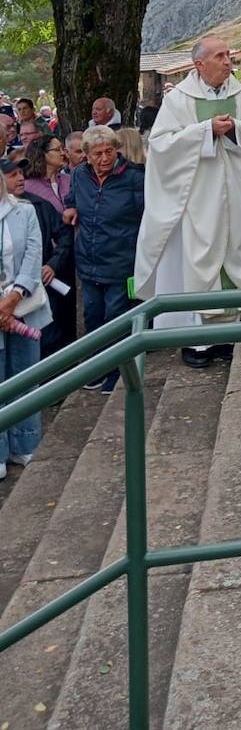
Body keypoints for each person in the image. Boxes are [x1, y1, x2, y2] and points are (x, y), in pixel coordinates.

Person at [135, 36, 241, 368]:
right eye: (219, 56)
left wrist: (233, 131)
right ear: (199, 64)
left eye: (229, 55)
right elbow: (160, 147)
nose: (228, 61)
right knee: (198, 264)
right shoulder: (180, 101)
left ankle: (228, 338)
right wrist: (204, 131)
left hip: (237, 196)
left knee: (235, 257)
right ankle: (197, 343)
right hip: (197, 198)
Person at [64, 125, 145, 393]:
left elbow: (148, 214)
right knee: (93, 315)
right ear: (86, 155)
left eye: (109, 151)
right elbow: (71, 199)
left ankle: (117, 372)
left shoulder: (134, 177)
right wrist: (70, 207)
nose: (104, 158)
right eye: (98, 153)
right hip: (88, 260)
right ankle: (98, 368)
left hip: (121, 260)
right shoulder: (79, 176)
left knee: (115, 316)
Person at [0, 164, 49, 479]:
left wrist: (13, 297)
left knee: (26, 373)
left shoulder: (25, 210)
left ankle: (26, 442)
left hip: (23, 304)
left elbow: (33, 254)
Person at [12, 153, 75, 357]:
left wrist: (53, 264)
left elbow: (65, 235)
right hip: (8, 297)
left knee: (49, 342)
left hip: (43, 288)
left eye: (21, 173)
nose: (21, 178)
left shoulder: (39, 205)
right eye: (13, 175)